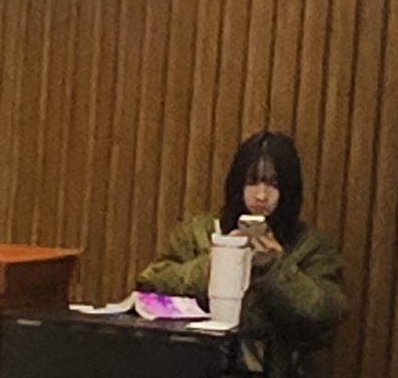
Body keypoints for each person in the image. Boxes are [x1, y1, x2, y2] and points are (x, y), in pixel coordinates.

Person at [137, 130, 347, 356]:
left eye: (273, 184)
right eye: (253, 182)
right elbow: (149, 284)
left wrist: (274, 269)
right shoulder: (198, 232)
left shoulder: (310, 246)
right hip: (194, 367)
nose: (261, 196)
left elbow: (325, 315)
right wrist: (217, 265)